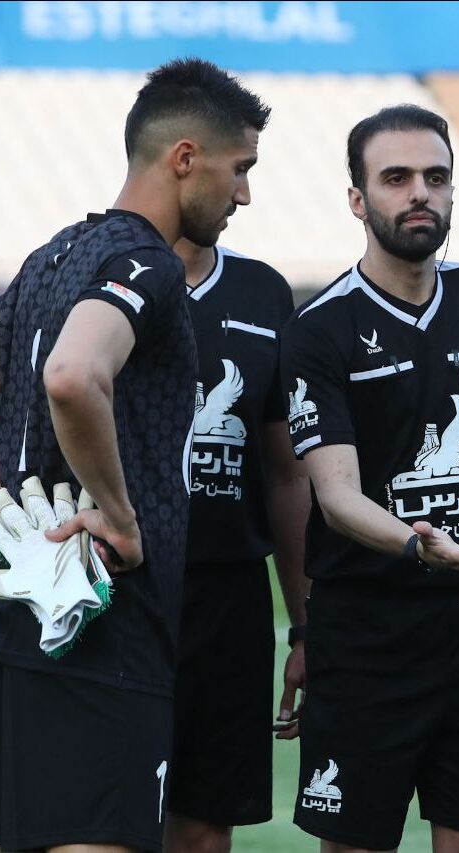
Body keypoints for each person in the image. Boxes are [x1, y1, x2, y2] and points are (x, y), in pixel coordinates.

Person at [0, 58, 270, 853]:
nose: (243, 193)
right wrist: (120, 517)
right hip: (107, 622)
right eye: (240, 168)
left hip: (28, 615)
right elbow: (74, 375)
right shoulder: (147, 264)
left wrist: (16, 527)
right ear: (186, 158)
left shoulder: (53, 257)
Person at [279, 104, 459, 853]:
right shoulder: (320, 329)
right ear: (358, 199)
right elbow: (336, 495)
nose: (420, 194)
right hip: (365, 639)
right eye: (396, 178)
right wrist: (417, 544)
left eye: (436, 177)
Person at [163, 234, 311, 852]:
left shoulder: (262, 291)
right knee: (102, 820)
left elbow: (287, 474)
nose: (243, 194)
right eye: (236, 180)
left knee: (205, 827)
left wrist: (306, 628)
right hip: (116, 593)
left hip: (230, 603)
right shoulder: (97, 275)